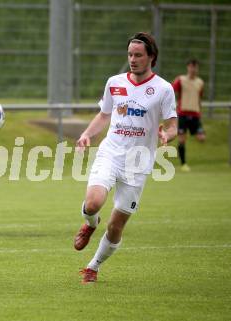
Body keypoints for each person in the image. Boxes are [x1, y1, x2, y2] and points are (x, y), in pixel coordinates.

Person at [73, 32, 177, 284]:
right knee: (93, 203)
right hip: (111, 153)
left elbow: (173, 125)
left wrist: (166, 135)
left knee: (116, 226)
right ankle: (89, 223)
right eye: (130, 54)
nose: (133, 59)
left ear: (151, 57)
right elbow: (104, 115)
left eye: (138, 55)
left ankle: (93, 267)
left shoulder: (163, 89)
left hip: (138, 163)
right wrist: (87, 135)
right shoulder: (115, 82)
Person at [172, 58, 206, 172]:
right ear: (188, 67)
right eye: (191, 66)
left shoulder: (200, 82)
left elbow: (199, 98)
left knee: (201, 138)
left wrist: (200, 111)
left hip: (195, 115)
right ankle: (183, 163)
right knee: (182, 139)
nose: (193, 69)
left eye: (195, 67)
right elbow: (171, 91)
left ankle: (181, 150)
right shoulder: (180, 80)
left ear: (197, 68)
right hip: (182, 114)